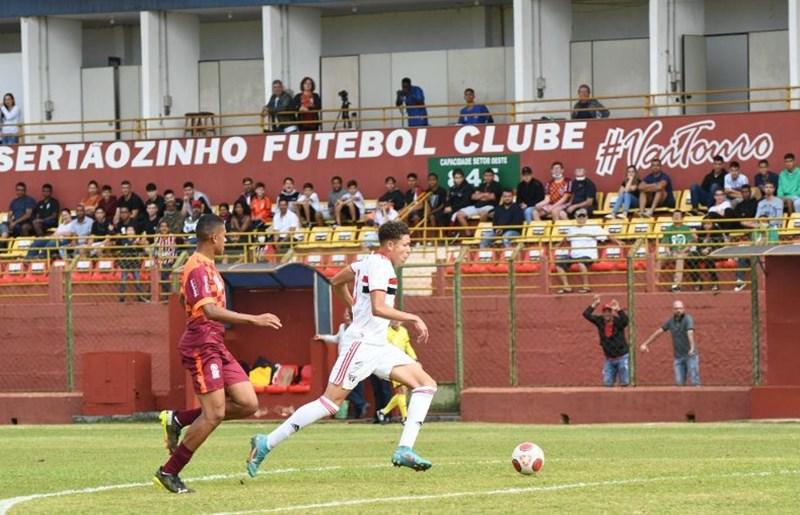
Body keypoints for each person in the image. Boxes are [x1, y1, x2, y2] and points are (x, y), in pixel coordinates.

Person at [246, 221, 437, 476]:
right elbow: (378, 307)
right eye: (406, 245)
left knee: (426, 384)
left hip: (378, 344)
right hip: (361, 345)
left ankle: (404, 449)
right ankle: (265, 443)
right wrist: (413, 318)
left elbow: (336, 281)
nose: (408, 250)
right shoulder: (381, 266)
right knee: (329, 403)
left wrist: (355, 307)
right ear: (390, 245)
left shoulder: (366, 262)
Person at [154, 214, 282, 494]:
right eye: (225, 235)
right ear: (213, 238)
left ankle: (178, 419)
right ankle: (168, 471)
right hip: (202, 342)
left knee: (248, 403)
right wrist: (254, 319)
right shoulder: (197, 267)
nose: (227, 240)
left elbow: (184, 299)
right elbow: (209, 310)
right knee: (214, 415)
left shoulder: (208, 267)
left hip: (215, 342)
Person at [639, 300, 700, 387]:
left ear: (684, 309)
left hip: (690, 356)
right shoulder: (670, 321)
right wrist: (646, 343)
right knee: (679, 383)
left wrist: (692, 348)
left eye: (680, 308)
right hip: (678, 357)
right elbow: (659, 332)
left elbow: (690, 332)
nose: (678, 310)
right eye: (676, 308)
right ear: (673, 310)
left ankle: (696, 399)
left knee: (694, 381)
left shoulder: (688, 319)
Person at [554, 208, 608, 294]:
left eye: (584, 216)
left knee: (581, 263)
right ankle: (566, 286)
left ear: (587, 217)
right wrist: (559, 244)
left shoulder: (594, 227)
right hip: (574, 255)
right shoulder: (572, 229)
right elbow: (566, 237)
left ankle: (586, 286)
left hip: (589, 255)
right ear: (576, 217)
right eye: (580, 217)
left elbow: (606, 234)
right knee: (558, 264)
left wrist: (618, 241)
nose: (582, 218)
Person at [376, 320, 418, 423]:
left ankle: (383, 412)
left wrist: (414, 357)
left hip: (403, 362)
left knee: (402, 391)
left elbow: (407, 345)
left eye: (398, 320)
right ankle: (405, 417)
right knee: (401, 389)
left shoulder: (404, 331)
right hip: (392, 364)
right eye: (393, 320)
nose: (396, 322)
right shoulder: (386, 333)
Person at [582, 296, 630, 387]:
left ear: (612, 313)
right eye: (605, 312)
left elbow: (626, 321)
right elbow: (586, 314)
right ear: (602, 313)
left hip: (622, 357)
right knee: (607, 383)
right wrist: (595, 304)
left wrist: (618, 309)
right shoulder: (600, 321)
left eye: (609, 311)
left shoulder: (618, 322)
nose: (607, 314)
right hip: (609, 359)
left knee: (625, 383)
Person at [687, 216, 723, 292]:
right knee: (690, 257)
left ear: (713, 224)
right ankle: (697, 281)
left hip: (715, 252)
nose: (706, 226)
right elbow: (699, 245)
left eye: (709, 224)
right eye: (705, 224)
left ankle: (714, 282)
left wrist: (709, 249)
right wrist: (697, 240)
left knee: (709, 258)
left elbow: (720, 244)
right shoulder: (700, 232)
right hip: (701, 251)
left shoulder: (717, 231)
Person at [661, 210, 693, 292]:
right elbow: (666, 245)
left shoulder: (686, 228)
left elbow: (689, 245)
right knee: (659, 258)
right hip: (672, 252)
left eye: (678, 215)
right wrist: (668, 252)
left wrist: (682, 251)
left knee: (680, 258)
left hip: (684, 252)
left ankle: (676, 285)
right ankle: (653, 281)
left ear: (682, 218)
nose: (676, 217)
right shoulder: (669, 229)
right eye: (674, 215)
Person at [153, 221, 177, 295]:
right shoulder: (156, 237)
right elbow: (155, 249)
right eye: (162, 226)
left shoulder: (173, 236)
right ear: (160, 228)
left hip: (170, 261)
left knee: (164, 273)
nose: (164, 228)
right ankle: (164, 293)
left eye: (165, 226)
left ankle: (167, 294)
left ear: (168, 228)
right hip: (159, 261)